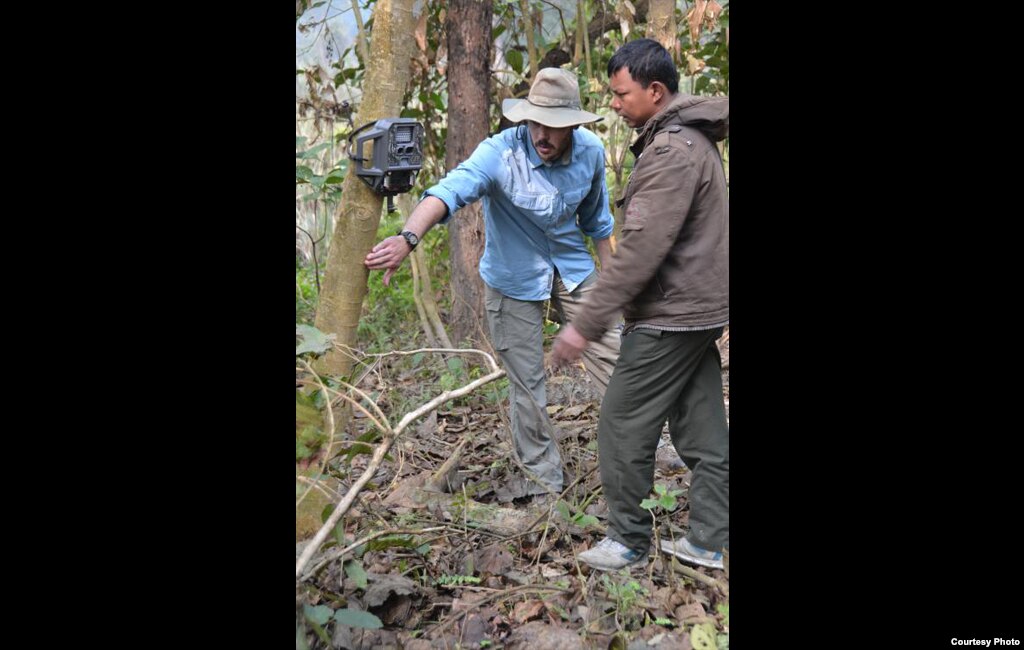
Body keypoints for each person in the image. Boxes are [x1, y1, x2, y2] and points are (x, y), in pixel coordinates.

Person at [364, 67, 622, 505]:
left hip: (574, 271)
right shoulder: (499, 154)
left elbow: (598, 223)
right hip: (512, 278)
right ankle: (544, 484)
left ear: (574, 127)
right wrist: (408, 238)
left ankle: (633, 457)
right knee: (527, 384)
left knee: (619, 358)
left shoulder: (591, 153)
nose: (543, 134)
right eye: (536, 122)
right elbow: (449, 192)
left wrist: (617, 289)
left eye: (555, 127)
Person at [551, 38, 729, 571]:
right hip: (699, 310)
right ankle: (708, 540)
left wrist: (583, 325)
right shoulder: (691, 139)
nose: (613, 103)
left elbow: (638, 253)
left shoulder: (671, 151)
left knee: (622, 423)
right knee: (701, 427)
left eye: (620, 93)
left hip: (671, 315)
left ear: (655, 91)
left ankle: (627, 539)